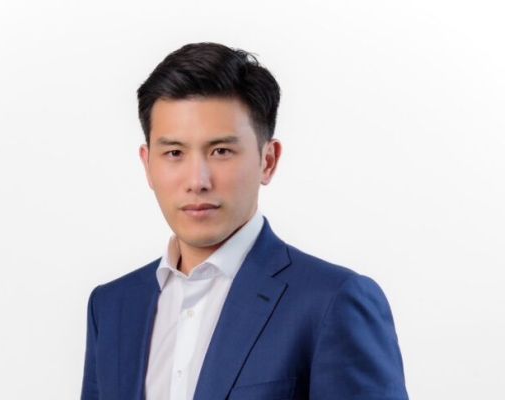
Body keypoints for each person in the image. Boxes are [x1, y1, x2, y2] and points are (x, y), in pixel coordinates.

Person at [80, 42, 408, 400]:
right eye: (174, 152)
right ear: (148, 164)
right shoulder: (111, 307)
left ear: (268, 161)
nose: (197, 180)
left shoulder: (332, 302)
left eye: (221, 151)